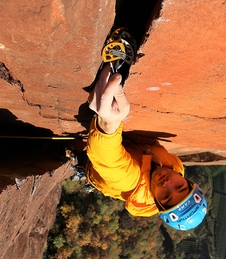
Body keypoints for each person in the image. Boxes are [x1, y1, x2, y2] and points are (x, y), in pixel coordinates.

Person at [85, 64, 207, 231]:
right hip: (132, 149)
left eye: (165, 196)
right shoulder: (176, 166)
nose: (168, 183)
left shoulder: (131, 182)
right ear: (188, 181)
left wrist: (109, 124)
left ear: (156, 202)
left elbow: (109, 159)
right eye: (180, 187)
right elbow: (152, 146)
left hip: (96, 171)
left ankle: (80, 165)